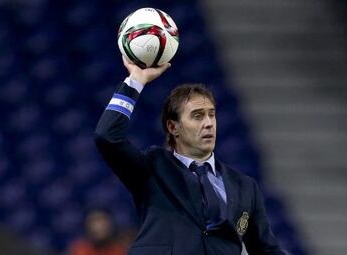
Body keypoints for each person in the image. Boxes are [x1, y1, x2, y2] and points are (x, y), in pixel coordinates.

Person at [94, 57, 285, 255]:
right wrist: (136, 80)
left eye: (212, 114)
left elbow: (267, 250)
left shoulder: (245, 187)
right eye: (198, 116)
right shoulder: (153, 167)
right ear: (173, 127)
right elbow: (107, 137)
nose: (209, 123)